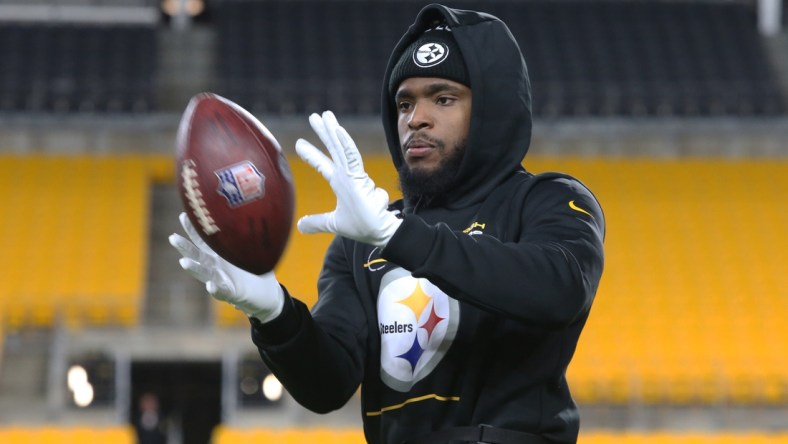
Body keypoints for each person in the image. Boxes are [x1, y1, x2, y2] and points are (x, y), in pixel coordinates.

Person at [169, 4, 604, 444]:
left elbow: (558, 288)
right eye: (404, 102)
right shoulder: (362, 239)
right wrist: (274, 315)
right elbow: (328, 386)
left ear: (493, 108)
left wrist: (398, 237)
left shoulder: (548, 199)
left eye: (444, 98)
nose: (416, 118)